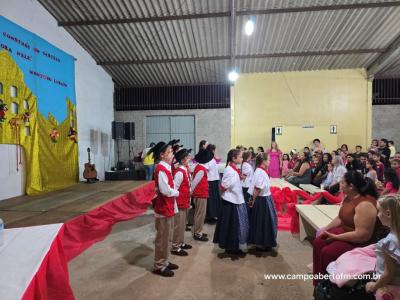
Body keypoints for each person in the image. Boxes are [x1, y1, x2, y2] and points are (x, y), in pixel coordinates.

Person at [313, 171, 389, 286]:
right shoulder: (349, 196)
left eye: (342, 182)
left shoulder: (365, 204)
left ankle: (329, 285)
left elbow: (362, 235)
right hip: (347, 231)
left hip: (360, 240)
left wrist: (336, 237)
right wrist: (326, 229)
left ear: (351, 186)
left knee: (328, 252)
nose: (339, 184)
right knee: (318, 242)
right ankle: (319, 281)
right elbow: (341, 217)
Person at [152, 142, 180, 277]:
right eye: (170, 152)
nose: (172, 154)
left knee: (167, 237)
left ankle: (165, 261)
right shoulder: (161, 168)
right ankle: (159, 265)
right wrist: (176, 192)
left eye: (171, 151)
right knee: (162, 238)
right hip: (163, 207)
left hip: (168, 206)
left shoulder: (167, 167)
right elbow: (164, 190)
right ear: (162, 155)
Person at [213, 149, 249, 255]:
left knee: (234, 226)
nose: (242, 159)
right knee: (231, 226)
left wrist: (239, 178)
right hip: (230, 202)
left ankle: (233, 246)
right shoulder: (230, 170)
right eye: (241, 157)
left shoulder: (234, 169)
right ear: (234, 158)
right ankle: (231, 247)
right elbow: (224, 186)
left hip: (234, 200)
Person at [365, 194, 400, 298]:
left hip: (390, 286)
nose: (377, 215)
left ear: (388, 214)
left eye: (379, 211)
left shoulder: (389, 242)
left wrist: (374, 285)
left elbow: (389, 274)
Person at [247, 152, 278, 251]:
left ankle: (264, 242)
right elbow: (257, 188)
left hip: (265, 198)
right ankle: (261, 243)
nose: (270, 161)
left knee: (266, 222)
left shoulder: (261, 170)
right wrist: (253, 200)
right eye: (268, 160)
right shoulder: (260, 172)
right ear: (263, 161)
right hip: (262, 200)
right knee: (263, 222)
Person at [171, 148, 193, 257]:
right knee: (178, 225)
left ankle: (181, 242)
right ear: (183, 160)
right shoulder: (179, 172)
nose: (189, 158)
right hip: (180, 202)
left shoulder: (184, 169)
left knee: (183, 224)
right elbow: (175, 187)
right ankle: (175, 246)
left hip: (185, 201)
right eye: (187, 157)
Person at [191, 149, 213, 241]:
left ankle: (198, 231)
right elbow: (194, 183)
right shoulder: (201, 169)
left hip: (201, 194)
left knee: (199, 214)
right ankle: (197, 233)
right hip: (200, 194)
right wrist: (191, 192)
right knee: (200, 214)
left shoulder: (199, 167)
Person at [205, 144, 221, 223]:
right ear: (212, 150)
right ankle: (210, 216)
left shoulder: (211, 159)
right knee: (211, 200)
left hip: (214, 181)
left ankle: (213, 215)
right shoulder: (209, 159)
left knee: (213, 199)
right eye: (214, 150)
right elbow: (206, 169)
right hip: (210, 181)